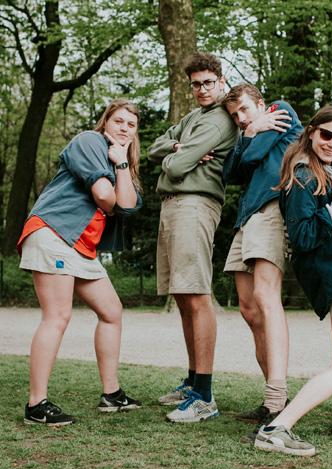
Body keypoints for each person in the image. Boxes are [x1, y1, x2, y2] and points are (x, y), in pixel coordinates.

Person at [253, 106, 332, 457]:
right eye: (327, 135)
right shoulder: (304, 175)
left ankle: (281, 426)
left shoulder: (327, 174)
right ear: (310, 132)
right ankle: (277, 427)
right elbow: (304, 237)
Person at [18, 99, 143, 426]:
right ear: (106, 122)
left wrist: (121, 165)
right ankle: (36, 404)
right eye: (118, 121)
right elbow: (105, 197)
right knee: (58, 315)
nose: (123, 128)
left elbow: (127, 206)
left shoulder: (120, 161)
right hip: (54, 232)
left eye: (130, 125)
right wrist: (115, 178)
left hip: (81, 246)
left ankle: (111, 393)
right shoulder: (89, 141)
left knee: (112, 312)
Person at [148, 52, 238, 423]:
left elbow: (178, 166)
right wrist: (176, 148)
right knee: (183, 295)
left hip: (195, 205)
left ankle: (205, 395)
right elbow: (154, 149)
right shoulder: (193, 118)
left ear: (221, 81)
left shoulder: (218, 119)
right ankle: (191, 382)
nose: (202, 89)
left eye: (208, 83)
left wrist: (178, 155)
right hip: (173, 205)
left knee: (197, 295)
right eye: (196, 84)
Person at [221, 83, 302, 425]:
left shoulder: (281, 109)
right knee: (249, 309)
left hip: (271, 210)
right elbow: (230, 173)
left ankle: (277, 398)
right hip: (247, 218)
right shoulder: (251, 130)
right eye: (235, 116)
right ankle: (274, 395)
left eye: (244, 110)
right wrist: (250, 133)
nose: (240, 119)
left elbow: (250, 159)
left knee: (266, 299)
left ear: (262, 103)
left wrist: (251, 137)